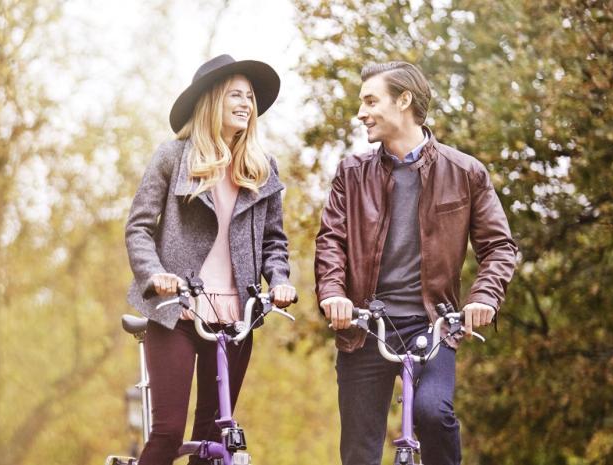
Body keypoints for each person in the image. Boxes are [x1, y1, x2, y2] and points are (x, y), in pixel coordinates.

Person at [315, 61, 518, 465]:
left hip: (432, 324)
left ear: (404, 100)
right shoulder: (352, 174)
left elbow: (499, 246)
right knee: (358, 451)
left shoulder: (464, 171)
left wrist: (484, 299)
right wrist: (333, 294)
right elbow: (331, 242)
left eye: (371, 101)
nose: (361, 113)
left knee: (433, 412)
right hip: (365, 326)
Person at [125, 54, 296, 465]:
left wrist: (280, 279)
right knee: (168, 432)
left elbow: (274, 240)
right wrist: (156, 275)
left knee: (215, 435)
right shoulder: (173, 158)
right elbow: (139, 228)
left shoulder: (261, 168)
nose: (246, 103)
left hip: (236, 319)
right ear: (211, 102)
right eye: (235, 94)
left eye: (250, 97)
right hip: (178, 312)